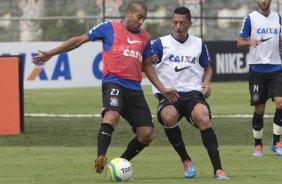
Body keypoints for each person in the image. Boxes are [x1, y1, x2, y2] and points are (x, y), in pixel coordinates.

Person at [32, 1, 179, 174]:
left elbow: (147, 66)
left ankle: (119, 164)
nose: (141, 22)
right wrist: (51, 53)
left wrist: (163, 89)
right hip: (114, 82)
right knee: (112, 115)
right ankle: (100, 157)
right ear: (128, 13)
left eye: (144, 19)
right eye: (139, 17)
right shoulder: (108, 28)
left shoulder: (145, 37)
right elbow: (79, 40)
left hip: (134, 89)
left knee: (147, 134)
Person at [151, 7, 229, 179]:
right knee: (168, 116)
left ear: (190, 24)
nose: (178, 26)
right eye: (175, 22)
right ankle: (186, 159)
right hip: (169, 94)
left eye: (182, 23)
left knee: (203, 117)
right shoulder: (160, 43)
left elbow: (207, 68)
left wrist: (206, 84)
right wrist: (152, 59)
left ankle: (218, 169)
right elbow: (149, 63)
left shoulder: (198, 43)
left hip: (193, 93)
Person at [237, 0, 282, 157]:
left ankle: (276, 142)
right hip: (257, 69)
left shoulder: (278, 17)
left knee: (281, 102)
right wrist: (249, 41)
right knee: (259, 109)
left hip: (276, 67)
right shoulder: (250, 18)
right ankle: (258, 145)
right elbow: (240, 42)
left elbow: (279, 40)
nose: (263, 1)